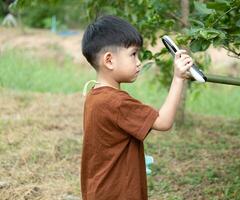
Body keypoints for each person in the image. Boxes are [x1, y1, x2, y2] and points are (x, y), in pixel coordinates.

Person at [81, 15, 194, 200]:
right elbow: (164, 122)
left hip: (99, 190)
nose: (139, 61)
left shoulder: (94, 95)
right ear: (109, 60)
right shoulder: (116, 102)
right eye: (133, 54)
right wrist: (178, 78)